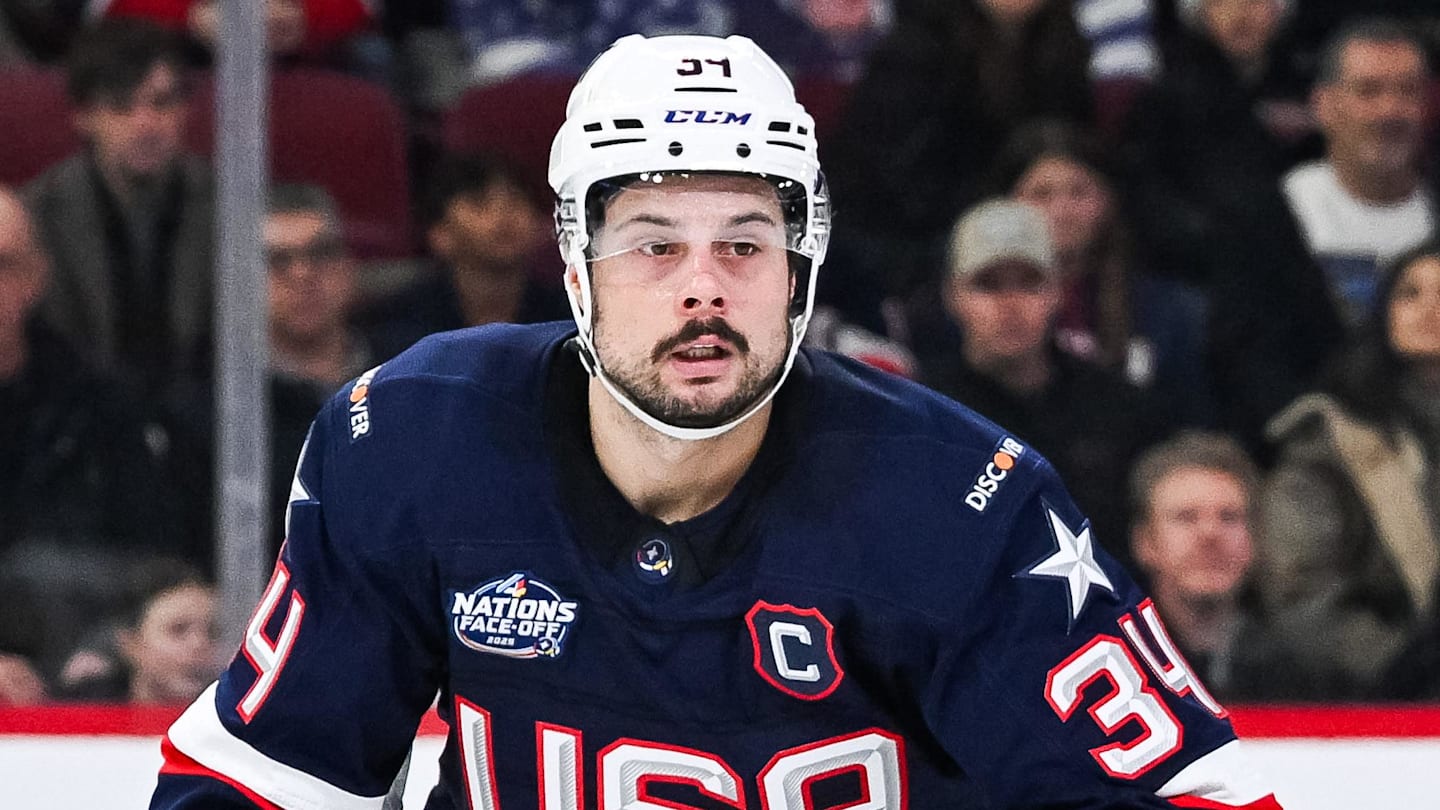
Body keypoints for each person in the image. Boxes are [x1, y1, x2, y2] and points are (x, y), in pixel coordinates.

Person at [151, 34, 1280, 809]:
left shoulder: (959, 501)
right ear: (579, 267)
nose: (705, 288)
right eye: (653, 242)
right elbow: (269, 775)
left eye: (744, 241)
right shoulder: (415, 439)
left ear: (801, 266)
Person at [911, 197, 1175, 570]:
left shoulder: (1120, 408)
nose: (1010, 304)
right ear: (953, 296)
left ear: (1057, 292)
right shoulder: (920, 415)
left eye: (1029, 282)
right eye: (987, 284)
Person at [0, 184, 190, 678]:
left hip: (78, 678)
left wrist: (102, 650)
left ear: (36, 276)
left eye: (3, 264)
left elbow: (158, 569)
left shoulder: (102, 405)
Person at [1259, 239, 1440, 699]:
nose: (1430, 309)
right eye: (1410, 293)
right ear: (1383, 314)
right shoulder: (1329, 442)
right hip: (1382, 705)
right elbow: (1300, 590)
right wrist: (1400, 666)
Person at [25, 18, 213, 403]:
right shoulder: (35, 215)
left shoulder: (230, 206)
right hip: (74, 419)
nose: (145, 124)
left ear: (185, 110)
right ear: (83, 116)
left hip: (203, 420)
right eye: (121, 106)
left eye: (161, 103)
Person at [990, 120, 1213, 423]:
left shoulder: (1170, 311)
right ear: (1007, 204)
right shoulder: (980, 311)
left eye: (1078, 192)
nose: (1061, 212)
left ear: (1107, 200)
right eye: (1041, 195)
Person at [1128, 431, 1321, 701]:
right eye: (1186, 517)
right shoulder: (1115, 667)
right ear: (1145, 542)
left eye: (1229, 517)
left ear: (1256, 538)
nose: (1210, 534)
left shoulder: (1307, 673)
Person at [1282, 17, 1434, 328]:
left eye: (1408, 91)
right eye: (1369, 91)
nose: (1390, 110)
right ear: (1324, 106)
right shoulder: (1281, 209)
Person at [359, 152, 571, 362]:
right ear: (440, 234)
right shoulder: (400, 323)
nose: (503, 216)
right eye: (480, 203)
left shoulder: (568, 315)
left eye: (515, 201)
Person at [56, 558, 220, 705]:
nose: (200, 644)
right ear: (131, 643)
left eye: (213, 632)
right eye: (178, 630)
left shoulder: (236, 725)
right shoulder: (83, 711)